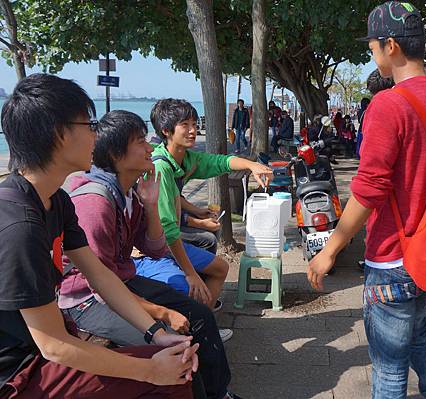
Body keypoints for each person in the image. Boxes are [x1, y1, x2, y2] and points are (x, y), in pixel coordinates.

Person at [0, 74, 198, 398]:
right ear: (59, 134)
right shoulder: (19, 227)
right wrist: (151, 369)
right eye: (89, 125)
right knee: (168, 378)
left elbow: (100, 275)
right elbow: (54, 346)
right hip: (18, 374)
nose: (96, 134)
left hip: (46, 349)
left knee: (176, 365)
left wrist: (155, 335)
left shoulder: (56, 200)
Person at [306, 3, 426, 398]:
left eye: (373, 46)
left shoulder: (388, 104)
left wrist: (331, 247)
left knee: (390, 369)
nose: (372, 54)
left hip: (394, 255)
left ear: (391, 45)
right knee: (420, 340)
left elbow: (369, 189)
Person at [58, 110, 241, 399]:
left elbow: (154, 249)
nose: (149, 148)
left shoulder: (129, 192)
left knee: (201, 315)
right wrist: (161, 313)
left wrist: (151, 204)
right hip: (85, 301)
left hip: (121, 283)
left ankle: (219, 393)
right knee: (174, 347)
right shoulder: (95, 203)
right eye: (140, 141)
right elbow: (101, 286)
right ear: (117, 155)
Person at [142, 98, 272, 317]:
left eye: (194, 123)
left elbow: (219, 162)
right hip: (153, 246)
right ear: (166, 131)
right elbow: (169, 228)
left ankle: (203, 309)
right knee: (220, 268)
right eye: (185, 125)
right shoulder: (160, 167)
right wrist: (190, 273)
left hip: (165, 237)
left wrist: (251, 165)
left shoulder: (184, 158)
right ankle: (202, 321)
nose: (193, 130)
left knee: (208, 241)